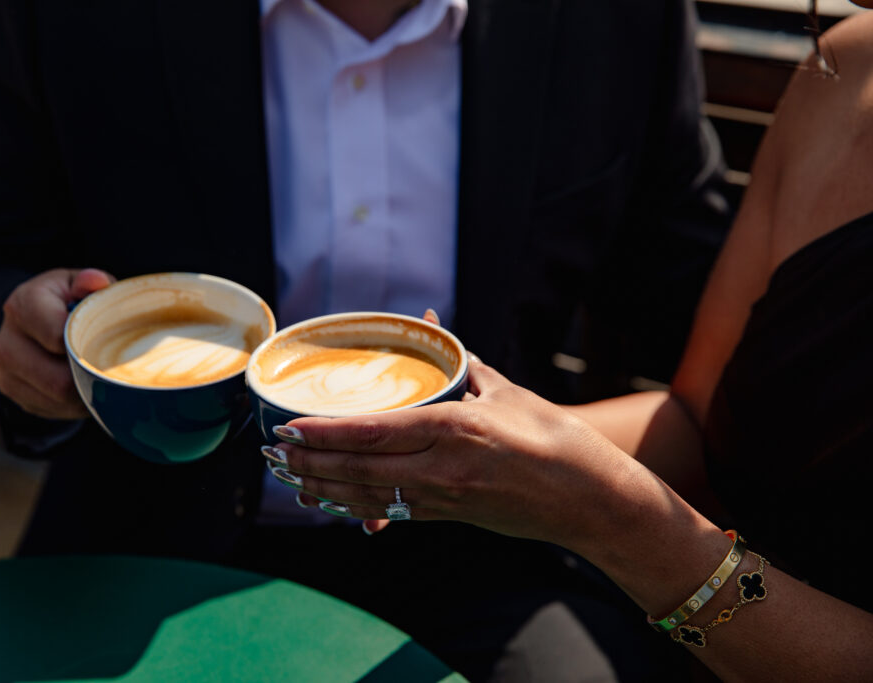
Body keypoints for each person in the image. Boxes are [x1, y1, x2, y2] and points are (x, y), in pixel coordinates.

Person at [0, 0, 730, 679]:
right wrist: (20, 345)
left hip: (491, 544)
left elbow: (693, 300)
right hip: (154, 527)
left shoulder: (618, 19)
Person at [275, 4, 873, 680]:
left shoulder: (618, 24)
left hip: (516, 567)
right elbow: (700, 414)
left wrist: (603, 512)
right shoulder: (843, 69)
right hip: (189, 529)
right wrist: (495, 466)